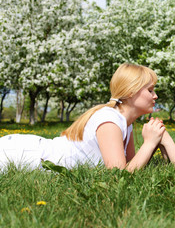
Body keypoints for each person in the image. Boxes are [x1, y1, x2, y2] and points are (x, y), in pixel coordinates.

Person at [0, 63, 165, 172]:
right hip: (22, 154)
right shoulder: (110, 120)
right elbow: (120, 174)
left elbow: (131, 165)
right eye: (150, 90)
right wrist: (149, 143)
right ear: (131, 92)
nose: (155, 96)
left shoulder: (126, 123)